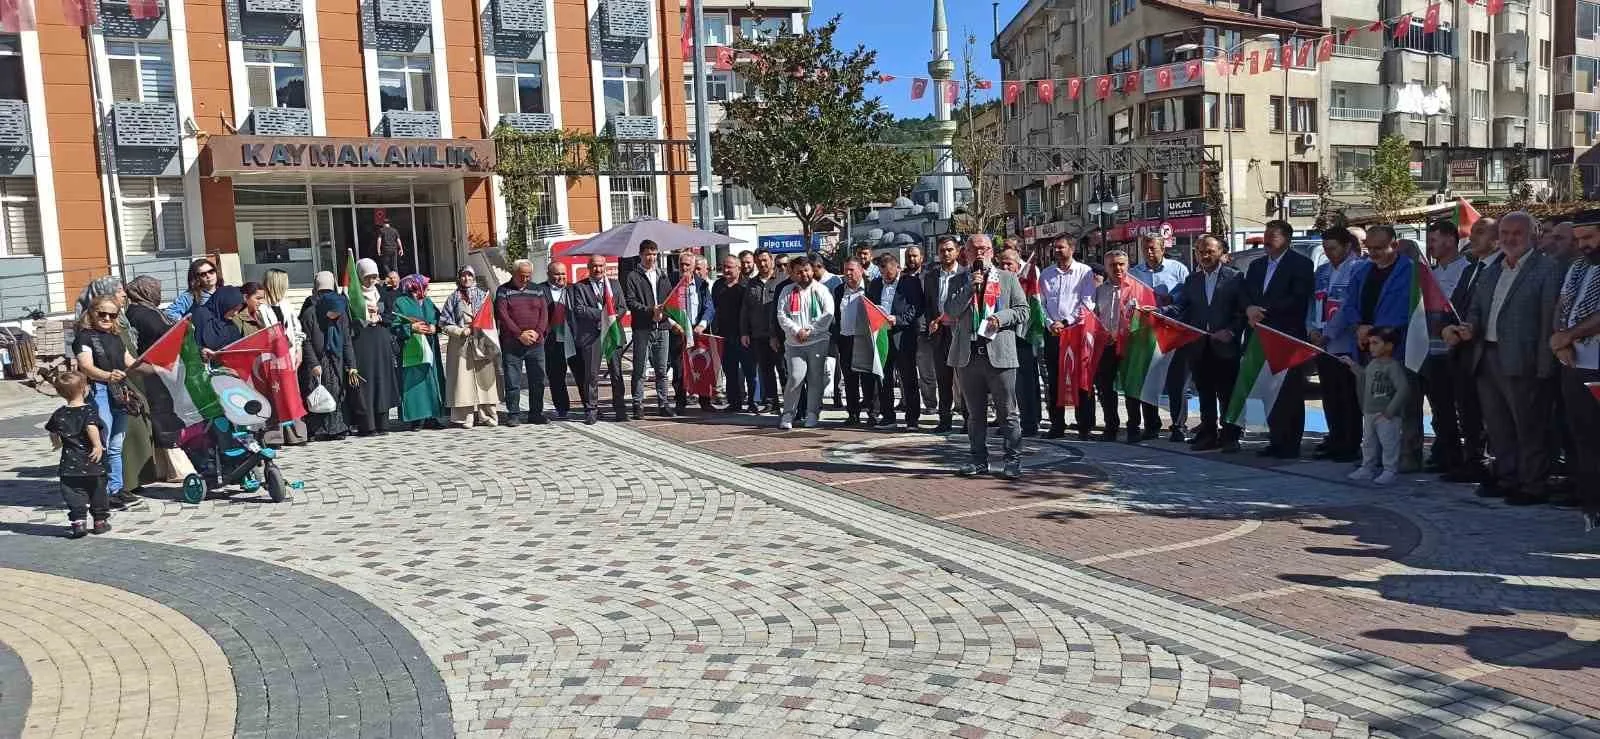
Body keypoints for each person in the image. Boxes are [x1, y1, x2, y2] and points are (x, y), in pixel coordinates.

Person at [1444, 211, 1562, 504]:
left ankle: (1533, 484)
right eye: (1505, 233)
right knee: (1497, 426)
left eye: (1517, 233)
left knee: (1529, 426)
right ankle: (1507, 477)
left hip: (1526, 360)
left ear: (1533, 235)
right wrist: (1468, 327)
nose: (1510, 239)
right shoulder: (1492, 270)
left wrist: (1545, 366)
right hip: (1487, 356)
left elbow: (1550, 320)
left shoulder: (1547, 269)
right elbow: (1477, 310)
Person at [1331, 225, 1420, 471]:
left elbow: (1405, 311)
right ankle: (1374, 456)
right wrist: (1358, 327)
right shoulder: (1363, 271)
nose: (1374, 253)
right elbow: (1349, 304)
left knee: (1401, 406)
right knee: (1371, 406)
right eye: (1370, 248)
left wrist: (1373, 331)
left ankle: (1407, 456)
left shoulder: (1410, 272)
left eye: (1380, 248)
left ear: (1394, 243)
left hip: (1396, 349)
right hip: (1365, 347)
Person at [942, 234, 1029, 479]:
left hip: (999, 353)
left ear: (992, 251)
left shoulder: (1008, 278)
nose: (979, 253)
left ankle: (1012, 461)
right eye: (974, 249)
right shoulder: (958, 280)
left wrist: (1001, 318)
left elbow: (1023, 310)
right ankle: (978, 460)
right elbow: (950, 311)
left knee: (1007, 412)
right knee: (974, 414)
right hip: (969, 356)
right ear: (965, 253)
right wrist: (970, 287)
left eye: (984, 248)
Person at [1243, 220, 1317, 459]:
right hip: (1260, 337)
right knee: (1267, 390)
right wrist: (1249, 308)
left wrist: (1264, 311)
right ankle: (1275, 439)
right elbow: (1246, 294)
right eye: (1265, 235)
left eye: (1272, 236)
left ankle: (1290, 443)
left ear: (1286, 238)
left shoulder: (1301, 264)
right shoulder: (1256, 266)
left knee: (1290, 392)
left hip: (1287, 336)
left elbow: (1298, 298)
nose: (1266, 240)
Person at [1166, 235, 1247, 452]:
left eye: (1210, 251)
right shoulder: (1192, 280)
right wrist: (1159, 312)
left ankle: (1230, 436)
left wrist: (1231, 331)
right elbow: (1182, 307)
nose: (1205, 255)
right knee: (1205, 393)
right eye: (1200, 251)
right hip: (1199, 346)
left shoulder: (1235, 278)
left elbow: (1242, 312)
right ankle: (1208, 434)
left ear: (1221, 251)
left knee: (1227, 394)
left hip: (1225, 347)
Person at [1441, 217, 1499, 483]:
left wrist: (1471, 330)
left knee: (1487, 413)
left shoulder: (1500, 269)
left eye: (1480, 232)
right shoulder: (1470, 269)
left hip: (1485, 354)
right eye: (1472, 231)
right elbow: (1451, 308)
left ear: (1496, 239)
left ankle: (1488, 462)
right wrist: (1447, 330)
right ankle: (1472, 460)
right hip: (1461, 351)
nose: (1472, 236)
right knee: (1467, 411)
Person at [1553, 213, 1600, 525]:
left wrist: (1568, 335)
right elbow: (1562, 306)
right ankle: (1591, 505)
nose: (1583, 246)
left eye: (1590, 239)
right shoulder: (1577, 267)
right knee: (1583, 438)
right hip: (1574, 364)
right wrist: (1561, 341)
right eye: (1579, 239)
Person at [72, 294, 138, 510]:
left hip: (120, 391)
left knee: (117, 444)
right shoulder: (84, 337)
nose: (107, 318)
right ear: (92, 312)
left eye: (113, 314)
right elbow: (87, 367)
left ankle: (117, 489)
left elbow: (131, 363)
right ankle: (103, 491)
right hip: (100, 390)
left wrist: (154, 364)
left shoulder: (116, 336)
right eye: (103, 313)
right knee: (104, 441)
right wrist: (109, 376)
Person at [1309, 227, 1365, 463]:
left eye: (1333, 248)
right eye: (1326, 249)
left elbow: (1347, 307)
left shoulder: (1359, 269)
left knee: (1348, 397)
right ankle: (1335, 437)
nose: (1329, 253)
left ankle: (1350, 443)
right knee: (1330, 395)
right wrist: (1311, 328)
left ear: (1347, 246)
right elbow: (1313, 303)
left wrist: (1329, 333)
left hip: (1344, 343)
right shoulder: (1322, 271)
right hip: (1321, 343)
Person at [1419, 220, 1472, 472]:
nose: (1430, 246)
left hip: (1456, 350)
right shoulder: (1431, 273)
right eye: (1429, 241)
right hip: (1431, 350)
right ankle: (1445, 452)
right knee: (1440, 408)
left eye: (1434, 240)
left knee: (1462, 407)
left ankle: (1465, 456)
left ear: (1451, 240)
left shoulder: (1467, 270)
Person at [1130, 234, 1192, 441]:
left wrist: (1169, 300)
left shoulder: (1178, 269)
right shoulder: (1135, 273)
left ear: (1162, 248)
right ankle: (1151, 425)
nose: (1149, 253)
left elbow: (1188, 297)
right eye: (1145, 248)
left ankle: (1178, 426)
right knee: (1149, 380)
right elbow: (1130, 300)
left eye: (1152, 249)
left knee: (1177, 383)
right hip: (1147, 334)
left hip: (1174, 332)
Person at [1093, 251, 1158, 442]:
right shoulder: (1100, 290)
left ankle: (1133, 427)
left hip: (1132, 346)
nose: (1117, 268)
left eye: (1121, 264)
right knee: (1105, 388)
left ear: (1127, 265)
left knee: (1132, 388)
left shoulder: (1139, 288)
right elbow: (1096, 316)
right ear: (1106, 267)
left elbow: (1151, 318)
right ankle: (1111, 427)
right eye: (1113, 265)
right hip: (1107, 346)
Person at [1039, 235, 1098, 439]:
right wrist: (1050, 323)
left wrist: (1065, 322)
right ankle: (1057, 424)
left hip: (1077, 333)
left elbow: (1087, 303)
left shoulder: (1084, 272)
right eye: (1054, 248)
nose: (1056, 251)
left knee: (1081, 379)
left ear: (1072, 249)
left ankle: (1085, 425)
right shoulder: (1046, 274)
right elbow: (1041, 303)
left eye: (1061, 247)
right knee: (1054, 381)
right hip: (1054, 334)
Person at [46, 371, 110, 538]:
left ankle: (79, 522)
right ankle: (99, 521)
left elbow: (53, 431)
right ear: (84, 389)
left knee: (73, 493)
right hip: (92, 461)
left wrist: (57, 443)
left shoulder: (59, 413)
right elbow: (91, 427)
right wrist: (97, 445)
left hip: (70, 464)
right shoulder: (89, 411)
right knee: (98, 491)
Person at [1344, 327, 1410, 486]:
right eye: (1370, 343)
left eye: (1375, 343)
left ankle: (1390, 470)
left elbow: (1403, 388)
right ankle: (1367, 467)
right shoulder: (1372, 364)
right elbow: (1364, 376)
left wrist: (1390, 411)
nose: (1371, 346)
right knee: (1368, 442)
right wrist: (1352, 365)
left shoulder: (1393, 367)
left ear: (1389, 346)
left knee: (1389, 443)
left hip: (1387, 415)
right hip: (1370, 412)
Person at [864, 253, 923, 429]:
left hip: (902, 335)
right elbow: (870, 306)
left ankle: (912, 418)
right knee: (884, 378)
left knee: (908, 378)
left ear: (897, 267)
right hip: (882, 335)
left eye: (890, 274)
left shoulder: (910, 283)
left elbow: (915, 308)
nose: (887, 277)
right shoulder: (875, 284)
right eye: (883, 274)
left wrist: (897, 319)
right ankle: (887, 415)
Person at [775, 257, 834, 430]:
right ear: (792, 274)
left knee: (815, 378)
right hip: (794, 343)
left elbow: (828, 314)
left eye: (807, 270)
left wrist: (810, 330)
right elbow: (781, 315)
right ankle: (788, 413)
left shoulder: (821, 290)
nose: (804, 274)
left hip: (817, 340)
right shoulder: (787, 291)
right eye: (799, 272)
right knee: (795, 377)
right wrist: (796, 330)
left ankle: (812, 413)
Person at [568, 254, 628, 424]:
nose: (598, 269)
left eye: (601, 266)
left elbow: (622, 307)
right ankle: (591, 410)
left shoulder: (614, 285)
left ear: (605, 267)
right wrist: (604, 316)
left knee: (617, 373)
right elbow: (579, 309)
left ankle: (620, 409)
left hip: (613, 333)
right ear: (589, 267)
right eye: (594, 266)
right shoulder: (580, 287)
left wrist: (612, 318)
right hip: (591, 336)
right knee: (591, 375)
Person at [439, 266, 501, 428]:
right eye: (463, 276)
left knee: (485, 380)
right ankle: (465, 416)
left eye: (469, 276)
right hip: (461, 344)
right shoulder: (453, 298)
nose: (466, 279)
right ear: (459, 278)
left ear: (474, 277)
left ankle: (487, 415)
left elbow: (490, 319)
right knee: (462, 381)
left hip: (482, 341)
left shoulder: (483, 296)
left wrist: (485, 334)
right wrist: (460, 331)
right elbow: (444, 323)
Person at [496, 259, 555, 426]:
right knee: (512, 380)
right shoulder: (503, 291)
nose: (525, 279)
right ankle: (513, 414)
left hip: (536, 343)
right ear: (514, 274)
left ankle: (536, 413)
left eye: (528, 275)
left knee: (538, 379)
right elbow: (502, 315)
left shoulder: (537, 290)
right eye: (522, 276)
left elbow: (544, 313)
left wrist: (537, 332)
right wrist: (519, 334)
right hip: (512, 343)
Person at [624, 241, 677, 418]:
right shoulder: (633, 276)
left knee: (662, 369)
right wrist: (650, 311)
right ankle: (638, 404)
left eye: (654, 254)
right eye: (648, 254)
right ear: (640, 255)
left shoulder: (662, 275)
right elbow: (631, 301)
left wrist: (666, 315)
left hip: (662, 327)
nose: (651, 258)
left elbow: (670, 299)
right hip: (642, 328)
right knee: (639, 368)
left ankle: (664, 403)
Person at [300, 280, 358, 440]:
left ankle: (337, 428)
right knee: (318, 393)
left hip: (335, 360)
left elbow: (346, 341)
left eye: (338, 314)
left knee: (336, 393)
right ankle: (319, 430)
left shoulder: (341, 317)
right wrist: (313, 364)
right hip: (318, 361)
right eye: (333, 313)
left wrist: (352, 365)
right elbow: (306, 342)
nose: (335, 316)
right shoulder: (310, 315)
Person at [348, 259, 399, 435]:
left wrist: (380, 317)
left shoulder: (381, 292)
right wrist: (363, 319)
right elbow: (350, 320)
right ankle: (367, 425)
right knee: (366, 382)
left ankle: (383, 422)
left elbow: (391, 315)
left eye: (374, 277)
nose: (371, 281)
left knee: (382, 380)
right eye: (367, 277)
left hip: (381, 340)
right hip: (363, 341)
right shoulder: (352, 294)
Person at [920, 237, 964, 432]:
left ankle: (969, 419)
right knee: (943, 378)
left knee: (964, 378)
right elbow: (928, 304)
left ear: (957, 251)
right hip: (940, 332)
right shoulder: (930, 277)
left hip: (960, 331)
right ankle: (944, 419)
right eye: (942, 251)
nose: (945, 254)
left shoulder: (966, 274)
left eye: (949, 250)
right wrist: (931, 321)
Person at [998, 247, 1043, 437]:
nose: (1006, 266)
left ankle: (1030, 423)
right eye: (1002, 263)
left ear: (1018, 264)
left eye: (1010, 263)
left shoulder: (1026, 280)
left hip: (1024, 336)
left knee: (1026, 383)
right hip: (1002, 337)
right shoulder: (996, 280)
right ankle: (1007, 422)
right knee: (1005, 384)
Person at [393, 274, 445, 429]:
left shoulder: (428, 302)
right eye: (423, 287)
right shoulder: (400, 302)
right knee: (415, 384)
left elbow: (440, 320)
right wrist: (411, 328)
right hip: (412, 348)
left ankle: (432, 416)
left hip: (430, 347)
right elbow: (394, 326)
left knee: (431, 381)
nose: (426, 290)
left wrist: (435, 327)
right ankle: (416, 418)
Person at [743, 249, 784, 414]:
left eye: (765, 260)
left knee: (783, 370)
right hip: (759, 335)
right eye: (759, 261)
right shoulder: (751, 284)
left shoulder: (782, 281)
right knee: (766, 371)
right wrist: (744, 332)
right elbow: (745, 310)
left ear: (771, 260)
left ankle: (789, 402)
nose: (762, 263)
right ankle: (770, 402)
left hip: (779, 335)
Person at [672, 250, 713, 412]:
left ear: (694, 266)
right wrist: (673, 324)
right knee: (679, 368)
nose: (684, 268)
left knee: (702, 366)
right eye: (681, 264)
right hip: (678, 331)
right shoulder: (671, 282)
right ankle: (680, 402)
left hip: (697, 331)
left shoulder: (702, 284)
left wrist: (702, 324)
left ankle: (705, 401)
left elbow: (709, 308)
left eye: (687, 265)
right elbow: (666, 306)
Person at [542, 263, 585, 420]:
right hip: (553, 340)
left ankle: (588, 406)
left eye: (563, 274)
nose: (561, 277)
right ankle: (562, 409)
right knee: (556, 376)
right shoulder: (540, 290)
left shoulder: (575, 288)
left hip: (574, 338)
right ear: (548, 274)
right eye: (557, 274)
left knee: (582, 374)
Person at [711, 255, 753, 412]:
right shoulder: (718, 285)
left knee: (749, 371)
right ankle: (734, 402)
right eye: (724, 267)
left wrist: (747, 332)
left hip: (744, 336)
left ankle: (752, 402)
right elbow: (713, 308)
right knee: (730, 371)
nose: (726, 270)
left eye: (730, 267)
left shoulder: (747, 285)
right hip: (723, 335)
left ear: (739, 268)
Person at [831, 258, 871, 425]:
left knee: (868, 378)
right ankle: (853, 413)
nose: (848, 273)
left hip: (866, 339)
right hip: (846, 339)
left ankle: (871, 412)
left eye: (852, 270)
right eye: (846, 270)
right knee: (849, 378)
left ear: (861, 270)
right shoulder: (840, 290)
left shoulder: (870, 287)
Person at [164, 258, 220, 322]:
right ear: (196, 278)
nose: (208, 276)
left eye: (211, 271)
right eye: (203, 274)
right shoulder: (190, 296)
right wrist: (190, 325)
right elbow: (169, 313)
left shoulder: (223, 291)